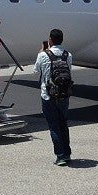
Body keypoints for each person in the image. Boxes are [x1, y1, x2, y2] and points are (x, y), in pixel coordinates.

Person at [33, 28, 73, 166]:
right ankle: (67, 154)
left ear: (50, 39)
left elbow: (36, 71)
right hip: (64, 94)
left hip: (48, 95)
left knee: (54, 126)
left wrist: (41, 52)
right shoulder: (68, 55)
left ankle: (60, 156)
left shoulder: (43, 55)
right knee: (63, 124)